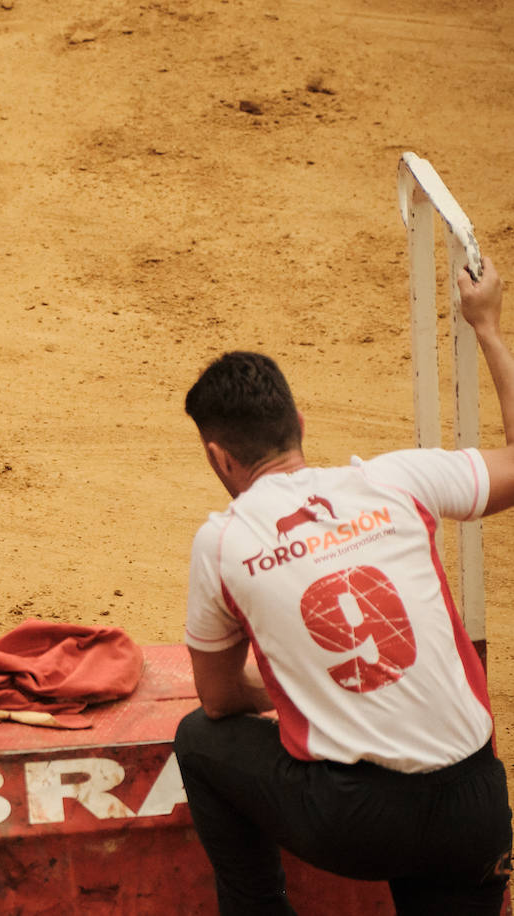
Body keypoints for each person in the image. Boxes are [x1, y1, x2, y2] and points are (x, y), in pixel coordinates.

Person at [174, 255, 514, 915]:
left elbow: (217, 701)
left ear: (220, 457)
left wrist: (294, 689)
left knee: (201, 740)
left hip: (356, 821)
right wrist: (489, 326)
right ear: (300, 427)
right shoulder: (395, 480)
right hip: (476, 806)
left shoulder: (223, 540)